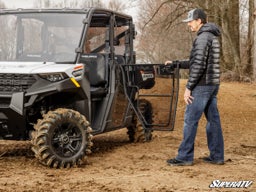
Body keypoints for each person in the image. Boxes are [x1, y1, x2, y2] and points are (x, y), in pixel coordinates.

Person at [165, 8, 224, 166]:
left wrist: (189, 87)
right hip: (212, 84)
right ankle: (217, 156)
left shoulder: (203, 37)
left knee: (190, 120)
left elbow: (198, 65)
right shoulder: (211, 36)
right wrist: (176, 63)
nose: (189, 24)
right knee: (213, 120)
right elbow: (196, 61)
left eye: (191, 21)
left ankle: (184, 157)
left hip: (202, 85)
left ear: (199, 21)